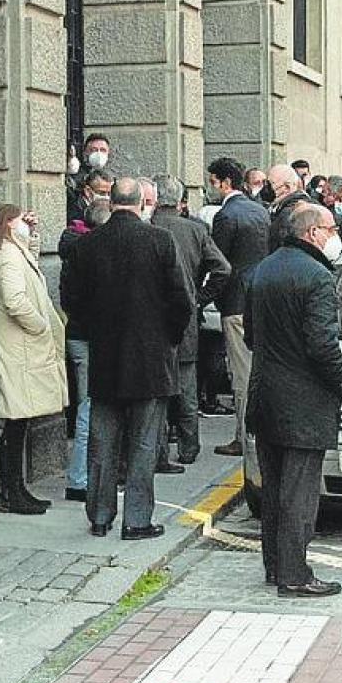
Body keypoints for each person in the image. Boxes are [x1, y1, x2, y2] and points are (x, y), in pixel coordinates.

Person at [65, 176, 193, 539]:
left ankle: (100, 515)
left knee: (102, 442)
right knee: (142, 444)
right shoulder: (159, 240)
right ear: (140, 203)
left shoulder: (87, 245)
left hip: (105, 356)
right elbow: (181, 300)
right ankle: (136, 519)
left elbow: (72, 300)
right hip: (151, 360)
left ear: (111, 202)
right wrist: (168, 337)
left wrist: (96, 332)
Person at [246, 203, 342, 598]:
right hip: (304, 401)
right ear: (312, 233)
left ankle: (276, 565)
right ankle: (294, 574)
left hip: (266, 394)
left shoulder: (264, 269)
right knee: (299, 494)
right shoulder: (318, 277)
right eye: (330, 228)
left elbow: (251, 337)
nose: (334, 234)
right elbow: (323, 346)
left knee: (274, 489)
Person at [0, 204, 67, 514]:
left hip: (14, 346)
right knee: (15, 423)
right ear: (7, 224)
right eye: (21, 219)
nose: (26, 223)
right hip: (17, 347)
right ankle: (12, 492)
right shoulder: (6, 255)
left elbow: (29, 265)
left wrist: (32, 233)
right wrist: (41, 326)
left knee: (18, 423)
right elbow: (16, 300)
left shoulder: (5, 252)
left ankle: (14, 490)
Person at [152, 174, 231, 467]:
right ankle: (189, 447)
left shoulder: (149, 227)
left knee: (157, 393)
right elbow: (223, 269)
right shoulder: (195, 231)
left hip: (154, 319)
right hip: (186, 318)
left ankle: (159, 452)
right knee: (186, 389)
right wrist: (199, 297)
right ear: (180, 201)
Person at [207, 158, 270, 482]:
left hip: (235, 303)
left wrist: (204, 297)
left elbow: (219, 263)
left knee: (242, 375)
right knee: (254, 370)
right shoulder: (260, 211)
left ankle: (245, 438)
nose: (211, 187)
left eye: (213, 181)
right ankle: (248, 435)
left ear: (224, 182)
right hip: (258, 299)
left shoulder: (226, 216)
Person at [60, 197, 112, 502]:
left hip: (77, 333)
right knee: (89, 409)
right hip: (92, 337)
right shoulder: (94, 254)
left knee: (86, 406)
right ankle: (80, 478)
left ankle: (83, 475)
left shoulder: (72, 250)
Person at [266, 164, 314, 251]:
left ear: (287, 187)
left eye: (271, 184)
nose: (266, 188)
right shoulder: (280, 208)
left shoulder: (290, 213)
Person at [66, 135, 113, 220]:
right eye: (94, 150)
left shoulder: (113, 181)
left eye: (103, 150)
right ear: (85, 153)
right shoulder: (75, 179)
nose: (99, 154)